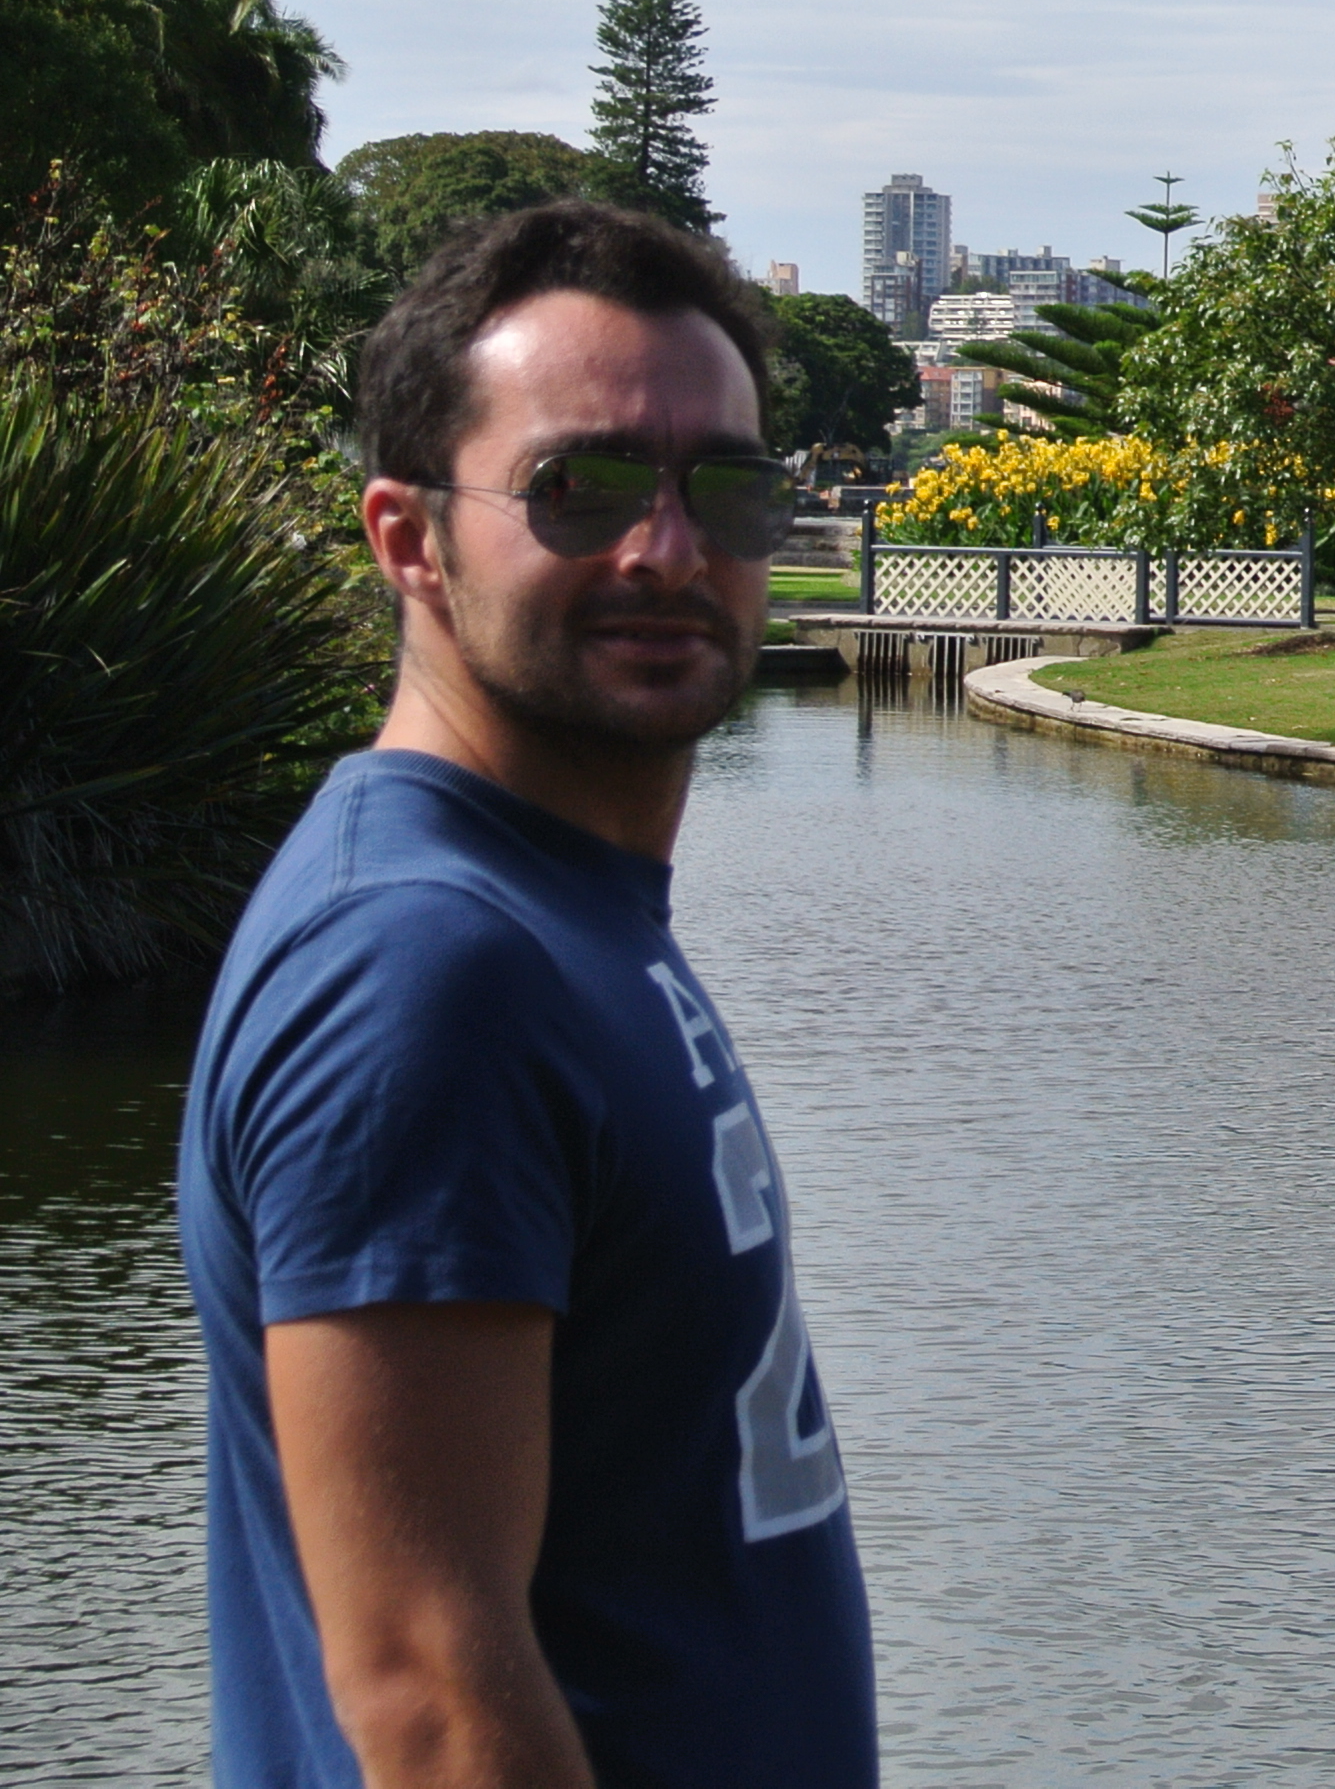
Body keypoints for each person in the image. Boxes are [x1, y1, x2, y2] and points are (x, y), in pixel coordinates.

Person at [179, 201, 875, 1788]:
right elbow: (427, 1694)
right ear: (408, 538)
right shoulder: (423, 969)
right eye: (582, 489)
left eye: (726, 489)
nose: (670, 551)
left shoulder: (556, 908)